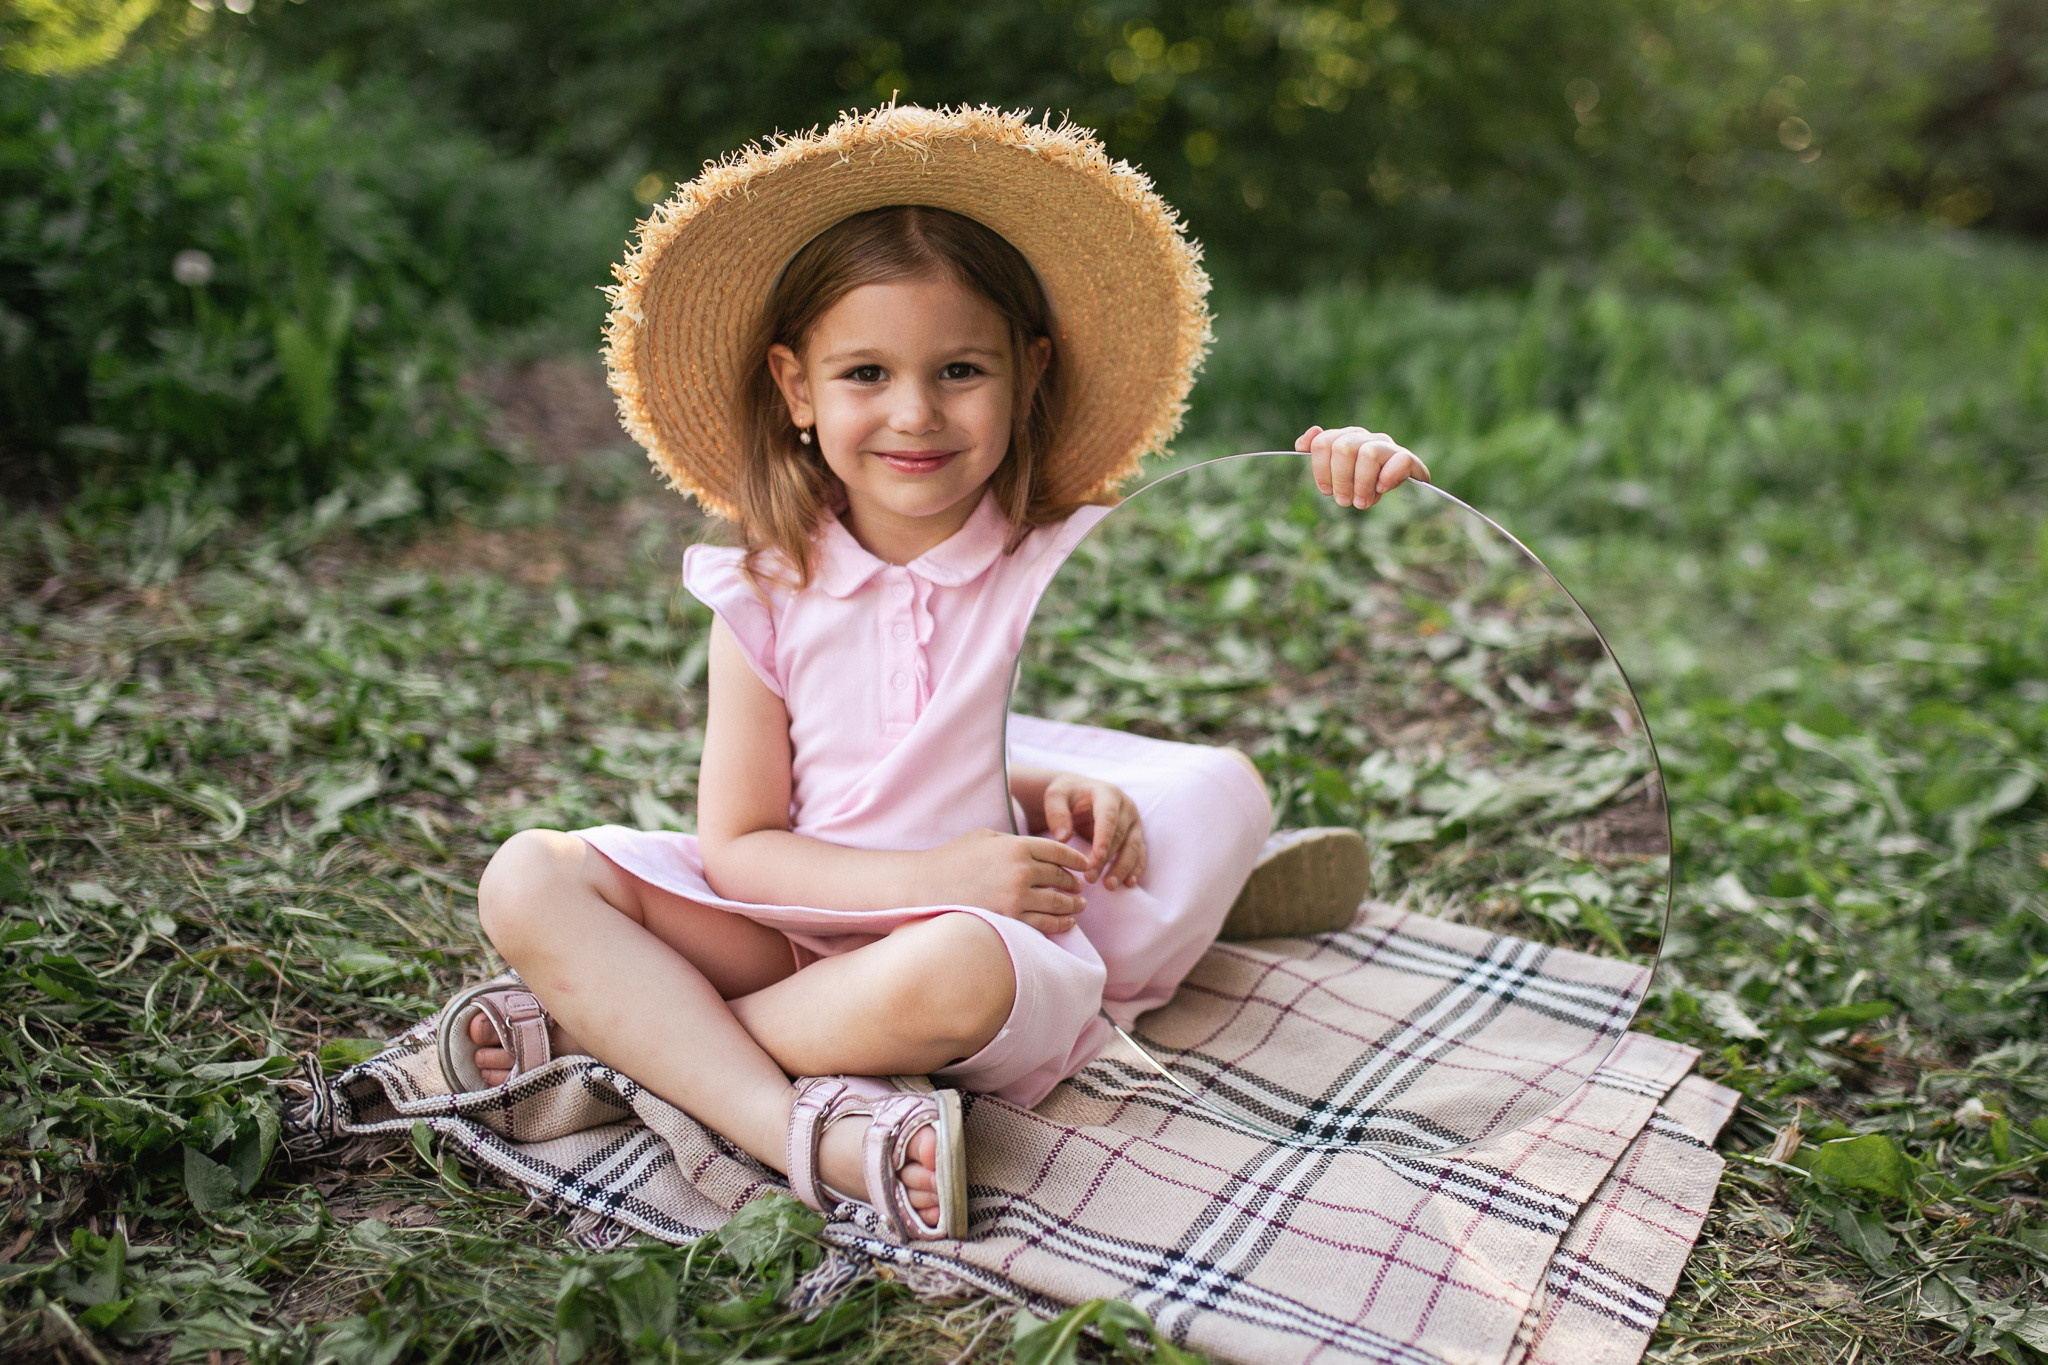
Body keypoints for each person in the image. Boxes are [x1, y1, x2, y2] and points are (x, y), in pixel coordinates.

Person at [432, 107, 1428, 1244]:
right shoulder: (761, 589)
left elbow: (1256, 538)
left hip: (973, 951)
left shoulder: (1059, 554)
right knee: (527, 877)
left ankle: (631, 1031)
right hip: (789, 917)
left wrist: (1348, 476)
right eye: (865, 372)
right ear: (795, 387)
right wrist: (941, 864)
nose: (914, 413)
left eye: (959, 369)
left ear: (1025, 371)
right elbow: (741, 849)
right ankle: (780, 1122)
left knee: (1153, 830)